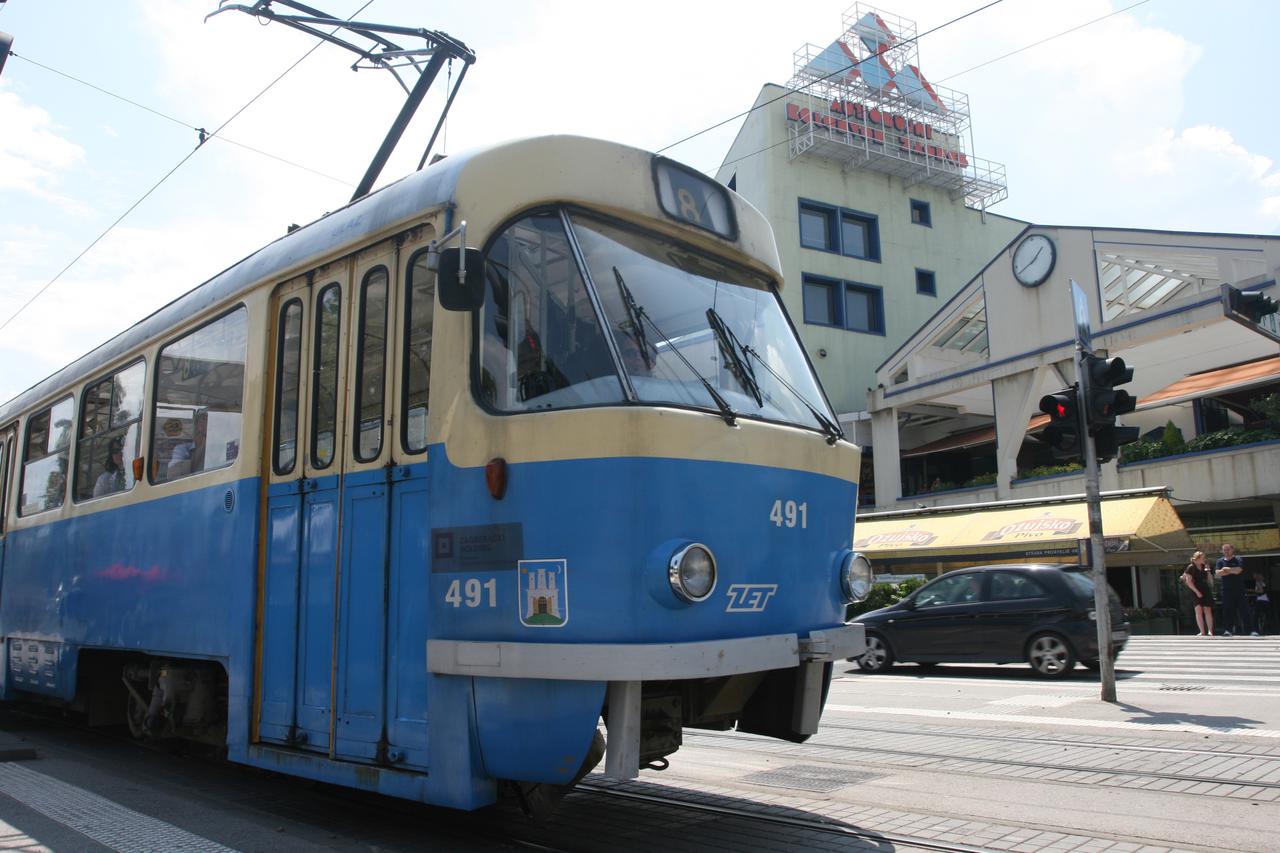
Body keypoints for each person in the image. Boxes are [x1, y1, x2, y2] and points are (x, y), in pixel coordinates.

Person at [1215, 543, 1256, 637]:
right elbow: (1218, 573)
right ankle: (1228, 630)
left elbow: (1238, 571)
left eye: (1228, 549)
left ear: (1232, 550)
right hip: (1226, 590)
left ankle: (1250, 630)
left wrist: (1226, 569)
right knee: (1228, 611)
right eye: (1224, 550)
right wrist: (1231, 570)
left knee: (1245, 610)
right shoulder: (1220, 561)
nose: (1226, 551)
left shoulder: (1238, 559)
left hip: (1239, 589)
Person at [1182, 551, 1214, 636]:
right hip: (1195, 589)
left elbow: (1210, 581)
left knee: (1208, 610)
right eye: (1203, 557)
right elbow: (1189, 582)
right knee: (1198, 610)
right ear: (1198, 558)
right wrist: (1197, 592)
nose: (1204, 559)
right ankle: (1202, 631)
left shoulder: (1205, 566)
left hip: (1205, 589)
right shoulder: (1191, 567)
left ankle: (1210, 631)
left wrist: (1208, 571)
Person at [1249, 571, 1270, 636]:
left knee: (1256, 615)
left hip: (1262, 600)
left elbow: (1261, 591)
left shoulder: (1259, 581)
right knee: (1259, 615)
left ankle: (1257, 629)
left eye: (1255, 575)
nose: (1254, 577)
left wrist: (1253, 591)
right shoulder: (1259, 582)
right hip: (1262, 600)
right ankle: (1261, 629)